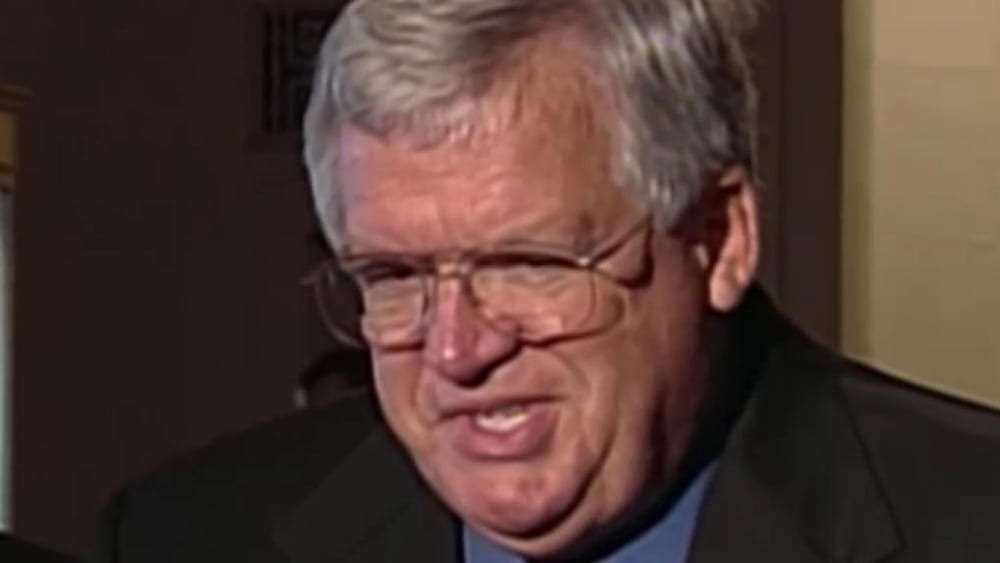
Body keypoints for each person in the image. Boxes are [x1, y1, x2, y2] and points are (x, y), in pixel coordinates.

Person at [92, 0, 1000, 561]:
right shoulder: (193, 536)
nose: (457, 350)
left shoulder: (969, 520)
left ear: (719, 239)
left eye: (528, 263)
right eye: (395, 274)